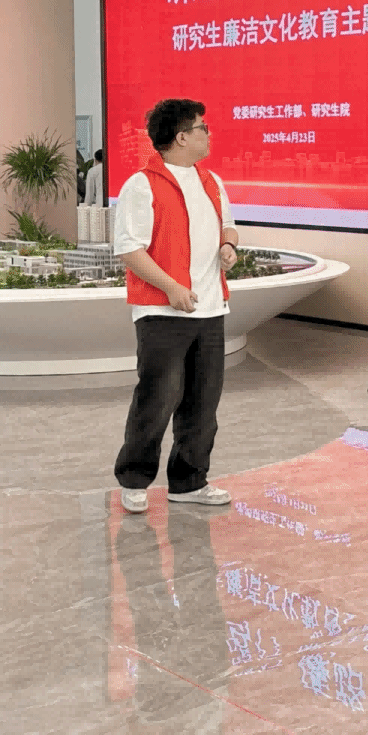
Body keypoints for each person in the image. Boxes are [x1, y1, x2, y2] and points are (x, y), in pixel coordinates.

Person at [112, 98, 238, 513]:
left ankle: (189, 481)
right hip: (162, 311)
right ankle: (135, 480)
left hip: (210, 308)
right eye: (203, 128)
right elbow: (130, 249)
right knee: (157, 399)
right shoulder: (141, 185)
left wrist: (228, 246)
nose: (208, 134)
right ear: (182, 137)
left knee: (203, 403)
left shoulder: (211, 181)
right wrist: (171, 288)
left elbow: (228, 225)